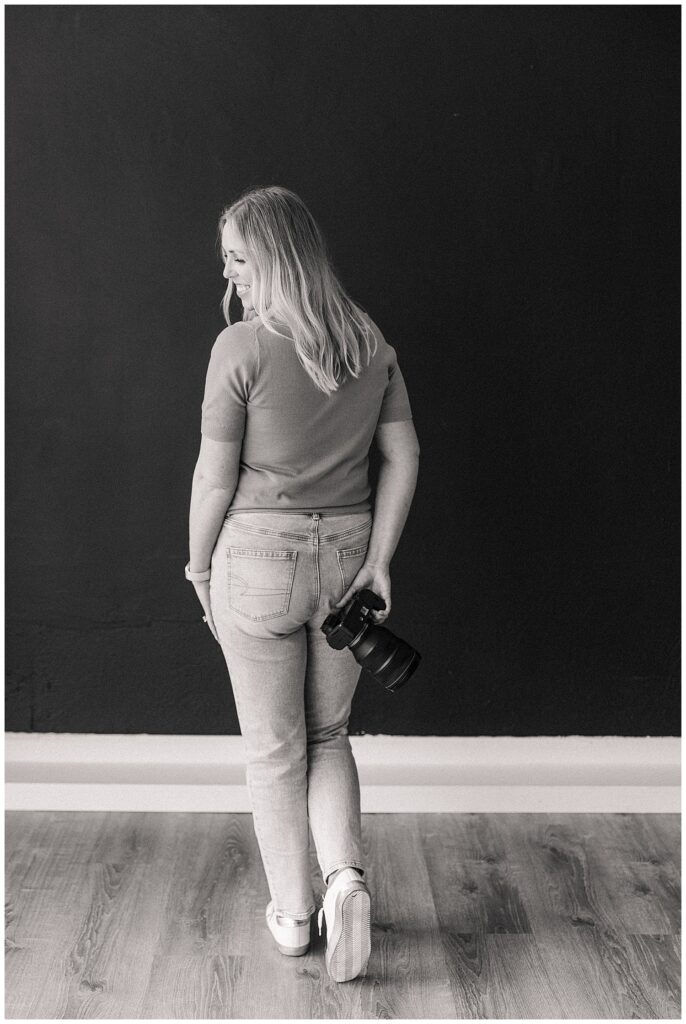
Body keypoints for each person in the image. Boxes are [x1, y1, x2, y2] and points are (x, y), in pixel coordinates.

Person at [186, 186, 420, 982]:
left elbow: (215, 480)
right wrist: (380, 559)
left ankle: (293, 914)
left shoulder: (240, 349)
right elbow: (406, 455)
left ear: (278, 258)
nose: (230, 274)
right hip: (348, 562)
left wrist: (196, 565)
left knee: (274, 749)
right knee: (327, 737)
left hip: (255, 560)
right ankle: (345, 878)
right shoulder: (368, 341)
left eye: (241, 259)